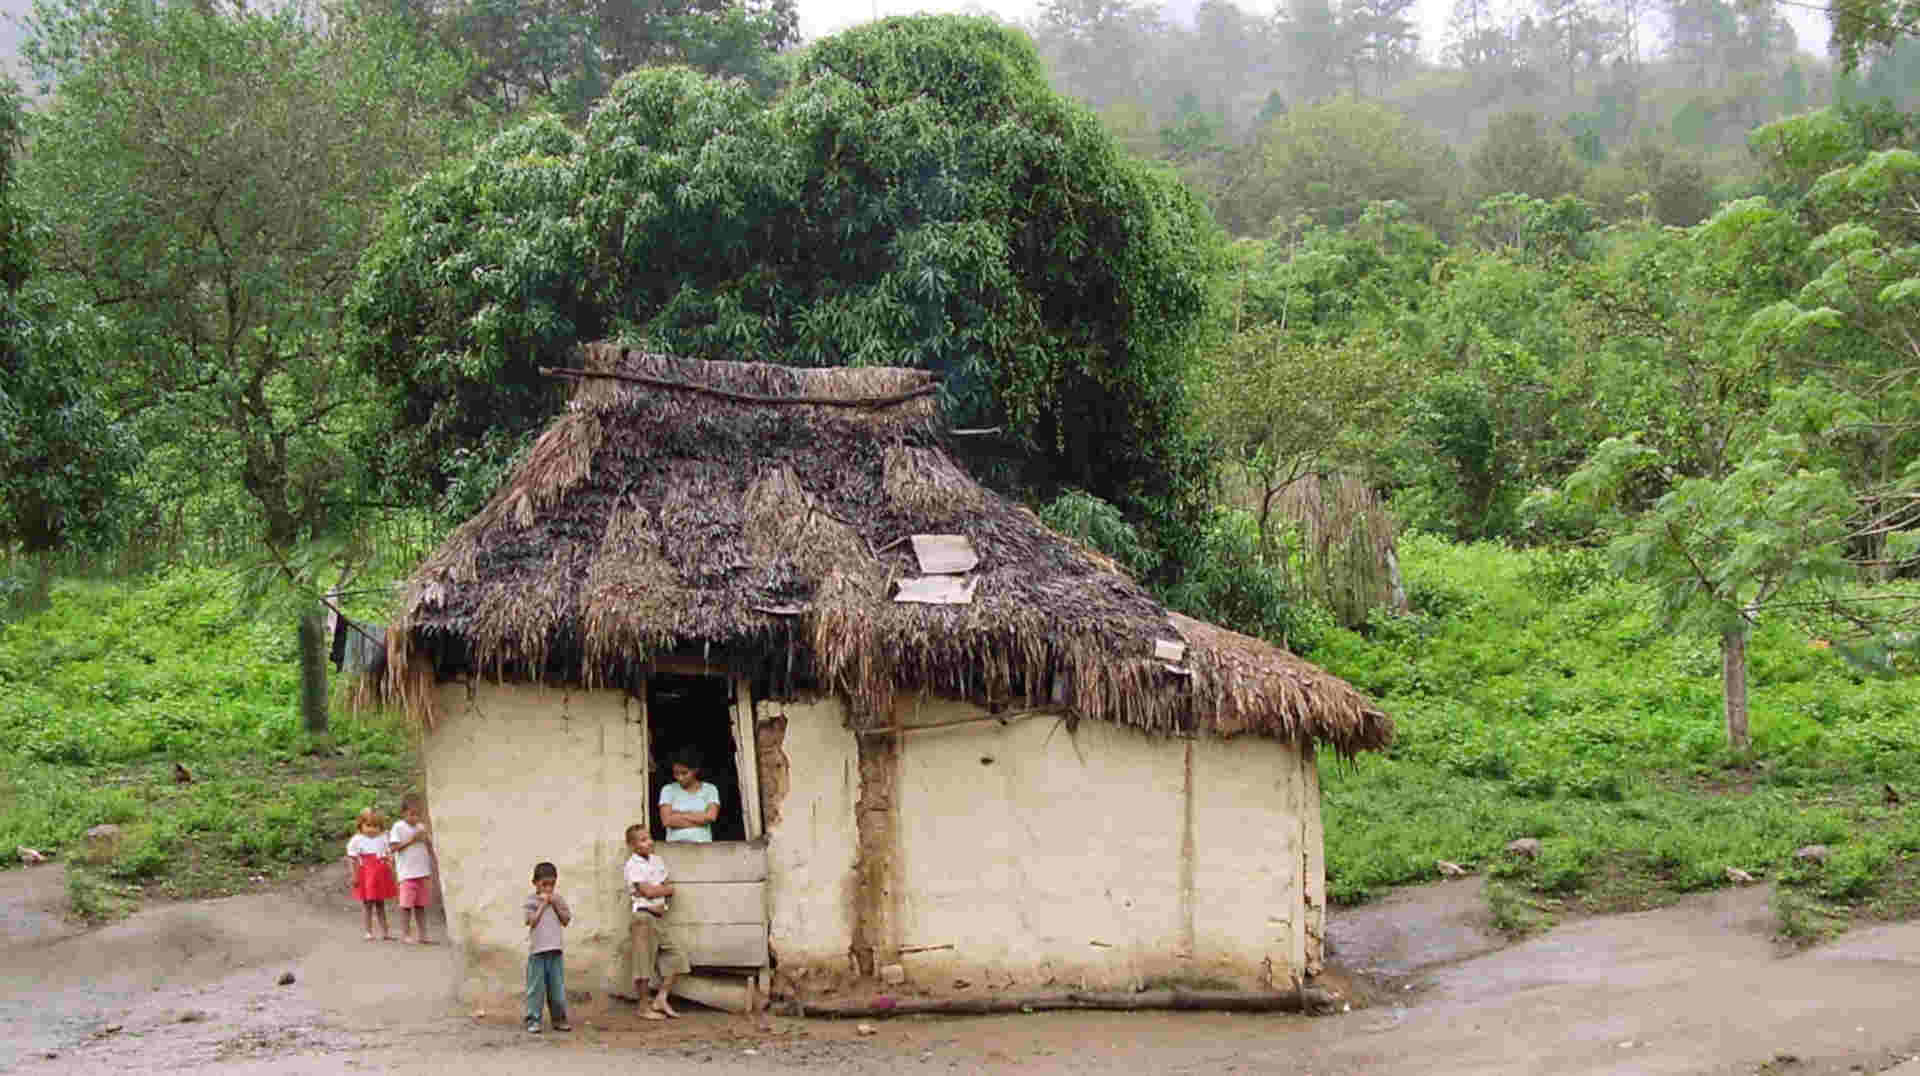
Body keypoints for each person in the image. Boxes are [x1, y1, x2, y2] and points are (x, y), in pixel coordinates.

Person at [623, 823, 691, 1020]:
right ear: (632, 846)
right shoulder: (632, 865)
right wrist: (659, 890)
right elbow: (650, 892)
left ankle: (661, 998)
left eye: (649, 838)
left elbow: (669, 888)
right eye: (643, 840)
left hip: (658, 917)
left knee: (677, 957)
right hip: (643, 917)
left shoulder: (657, 861)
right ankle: (643, 1007)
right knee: (642, 962)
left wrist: (658, 891)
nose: (649, 842)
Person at [522, 861, 572, 1034]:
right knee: (536, 989)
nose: (548, 889)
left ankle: (559, 1019)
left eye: (552, 884)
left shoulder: (558, 900)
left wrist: (555, 903)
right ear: (535, 883)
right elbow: (531, 921)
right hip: (537, 953)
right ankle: (533, 1019)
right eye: (544, 884)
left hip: (555, 951)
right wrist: (543, 904)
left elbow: (566, 920)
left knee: (557, 989)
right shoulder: (531, 901)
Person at [344, 807, 397, 941]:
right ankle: (368, 931)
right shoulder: (357, 840)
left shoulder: (382, 838)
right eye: (368, 825)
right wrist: (354, 875)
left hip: (380, 873)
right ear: (360, 825)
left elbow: (387, 856)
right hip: (365, 873)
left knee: (380, 904)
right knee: (367, 904)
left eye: (376, 826)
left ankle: (385, 932)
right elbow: (353, 859)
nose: (372, 829)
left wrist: (392, 870)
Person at [388, 793, 435, 944]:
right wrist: (412, 839)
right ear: (403, 813)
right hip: (407, 874)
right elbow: (394, 848)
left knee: (421, 906)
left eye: (418, 815)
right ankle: (406, 934)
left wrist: (428, 843)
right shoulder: (398, 827)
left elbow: (428, 846)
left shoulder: (422, 827)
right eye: (412, 814)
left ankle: (423, 935)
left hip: (423, 872)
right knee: (406, 906)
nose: (415, 818)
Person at [658, 750, 720, 843]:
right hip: (675, 846)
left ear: (695, 770)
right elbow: (666, 821)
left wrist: (678, 815)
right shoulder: (668, 790)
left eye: (684, 773)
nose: (680, 777)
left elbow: (711, 817)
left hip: (704, 846)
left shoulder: (710, 789)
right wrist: (701, 819)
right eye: (676, 773)